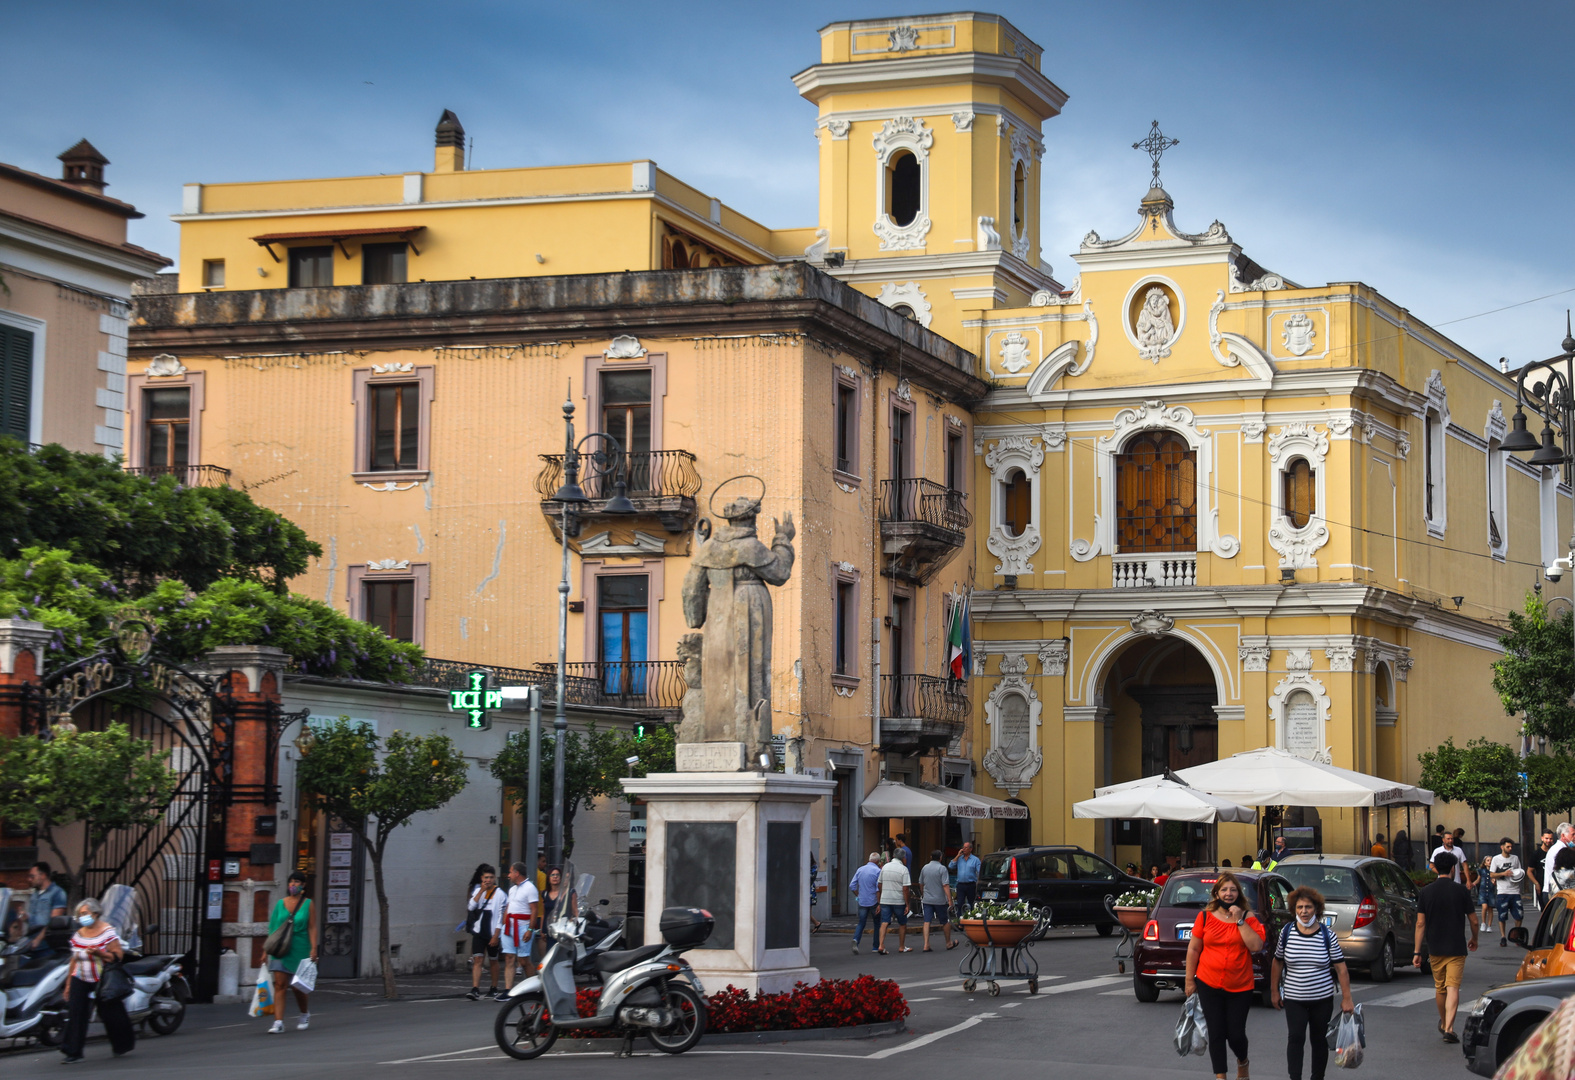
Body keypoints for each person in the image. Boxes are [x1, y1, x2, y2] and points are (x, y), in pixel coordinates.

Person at [1184, 872, 1265, 1080]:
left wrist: (1239, 920)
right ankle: (1221, 1076)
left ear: (1239, 893)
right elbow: (1193, 949)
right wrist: (1189, 980)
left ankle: (1243, 1061)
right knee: (1217, 1033)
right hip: (1208, 982)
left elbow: (1256, 946)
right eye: (1224, 890)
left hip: (1240, 986)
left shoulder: (1247, 917)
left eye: (1233, 890)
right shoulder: (1204, 917)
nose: (1229, 894)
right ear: (1216, 893)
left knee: (1236, 1035)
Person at [1271, 886, 1354, 1080]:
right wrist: (1274, 991)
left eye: (1308, 907)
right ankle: (1295, 1077)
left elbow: (1341, 968)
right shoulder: (1287, 932)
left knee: (1318, 1041)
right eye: (1299, 907)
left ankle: (1317, 1077)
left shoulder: (1327, 935)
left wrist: (1347, 998)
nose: (1304, 911)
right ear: (1294, 909)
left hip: (1321, 999)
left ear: (1316, 909)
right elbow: (1277, 962)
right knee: (1296, 1038)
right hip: (1294, 998)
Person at [59, 897, 134, 1063]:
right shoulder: (78, 934)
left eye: (85, 913)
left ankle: (122, 1044)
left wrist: (101, 954)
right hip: (81, 976)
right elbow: (74, 959)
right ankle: (73, 1052)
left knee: (110, 1012)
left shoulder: (107, 932)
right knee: (76, 1012)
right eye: (80, 914)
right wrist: (69, 984)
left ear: (95, 913)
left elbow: (117, 955)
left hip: (102, 978)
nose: (82, 917)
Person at [1415, 851, 1478, 1043]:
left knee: (1440, 987)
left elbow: (1420, 923)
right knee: (1453, 987)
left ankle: (1444, 1023)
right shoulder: (1461, 891)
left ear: (1436, 868)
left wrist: (1417, 951)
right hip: (1456, 946)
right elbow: (1474, 921)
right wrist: (1474, 938)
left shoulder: (1426, 892)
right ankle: (1449, 1027)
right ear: (1453, 869)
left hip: (1434, 946)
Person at [266, 870, 319, 1034]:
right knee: (280, 985)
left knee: (298, 987)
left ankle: (304, 1013)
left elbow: (312, 927)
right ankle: (278, 1022)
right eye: (291, 882)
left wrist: (313, 947)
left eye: (297, 882)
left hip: (300, 946)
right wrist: (265, 950)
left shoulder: (308, 904)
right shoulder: (280, 904)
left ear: (303, 885)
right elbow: (273, 928)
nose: (293, 885)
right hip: (281, 947)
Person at [498, 861, 541, 999]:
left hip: (523, 927)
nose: (508, 875)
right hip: (510, 926)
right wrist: (504, 923)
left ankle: (535, 988)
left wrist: (530, 929)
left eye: (510, 872)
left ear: (517, 873)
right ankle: (508, 990)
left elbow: (534, 910)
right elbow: (509, 906)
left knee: (523, 960)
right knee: (509, 957)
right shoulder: (512, 889)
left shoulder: (530, 888)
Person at [465, 865, 505, 1000]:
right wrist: (481, 891)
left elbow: (501, 916)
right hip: (479, 930)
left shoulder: (500, 894)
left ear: (495, 879)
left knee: (493, 960)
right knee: (478, 959)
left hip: (492, 931)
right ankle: (475, 988)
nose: (488, 880)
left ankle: (494, 987)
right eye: (486, 877)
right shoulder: (478, 891)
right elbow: (471, 906)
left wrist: (496, 935)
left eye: (491, 878)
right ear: (482, 878)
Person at [24, 861, 66, 955]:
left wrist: (38, 939)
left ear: (43, 875)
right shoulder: (35, 894)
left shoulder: (57, 893)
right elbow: (36, 917)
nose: (30, 879)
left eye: (32, 876)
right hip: (30, 943)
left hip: (46, 945)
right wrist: (26, 917)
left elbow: (53, 921)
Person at [1490, 837, 1525, 946]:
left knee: (1519, 915)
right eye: (1508, 847)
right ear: (1502, 847)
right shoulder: (1496, 859)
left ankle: (1516, 934)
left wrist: (1518, 876)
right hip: (1503, 891)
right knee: (1502, 915)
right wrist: (1503, 874)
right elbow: (1491, 874)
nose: (1510, 849)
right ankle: (1503, 936)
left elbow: (1519, 872)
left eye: (1511, 847)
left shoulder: (1515, 858)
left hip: (1515, 891)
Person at [918, 850, 955, 952]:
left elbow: (921, 883)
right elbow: (945, 885)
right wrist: (950, 900)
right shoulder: (942, 869)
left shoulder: (925, 868)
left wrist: (923, 894)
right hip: (939, 900)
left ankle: (926, 944)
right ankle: (948, 943)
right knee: (945, 921)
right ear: (940, 858)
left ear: (931, 857)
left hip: (927, 899)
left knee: (927, 921)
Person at [876, 852, 912, 955]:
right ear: (903, 858)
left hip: (885, 899)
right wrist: (907, 904)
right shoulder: (903, 869)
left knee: (884, 922)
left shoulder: (885, 867)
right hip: (898, 900)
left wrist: (882, 896)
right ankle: (901, 946)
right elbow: (905, 889)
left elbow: (879, 884)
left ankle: (881, 945)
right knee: (902, 923)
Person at [849, 852, 882, 955]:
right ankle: (875, 947)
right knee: (877, 924)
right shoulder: (878, 871)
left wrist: (858, 895)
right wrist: (879, 903)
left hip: (862, 900)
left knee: (861, 923)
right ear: (877, 861)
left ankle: (856, 939)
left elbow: (852, 886)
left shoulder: (860, 869)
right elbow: (878, 889)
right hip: (873, 901)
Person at [949, 841, 981, 915]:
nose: (964, 849)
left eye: (966, 847)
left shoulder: (975, 860)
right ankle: (960, 921)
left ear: (970, 849)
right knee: (960, 903)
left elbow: (979, 872)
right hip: (961, 884)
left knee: (971, 903)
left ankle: (972, 919)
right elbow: (950, 866)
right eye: (963, 847)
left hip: (971, 884)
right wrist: (957, 855)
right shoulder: (959, 859)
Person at [1543, 823, 1573, 896]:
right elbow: (1564, 873)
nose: (1574, 837)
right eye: (1573, 834)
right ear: (1563, 835)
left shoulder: (1558, 848)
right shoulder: (1560, 850)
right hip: (1557, 892)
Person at [1533, 829, 1555, 907]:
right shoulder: (1536, 854)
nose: (1548, 840)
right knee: (1544, 909)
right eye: (1546, 838)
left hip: (1554, 885)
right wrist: (1536, 883)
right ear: (1542, 838)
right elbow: (1529, 871)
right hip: (1542, 885)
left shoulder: (1554, 852)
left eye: (1550, 838)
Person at [1475, 856, 1496, 934]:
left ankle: (1489, 925)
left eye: (1491, 860)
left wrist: (1495, 882)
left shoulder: (1494, 871)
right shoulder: (1481, 871)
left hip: (1491, 891)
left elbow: (1496, 881)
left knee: (1490, 909)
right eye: (1488, 860)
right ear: (1484, 862)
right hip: (1483, 891)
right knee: (1485, 906)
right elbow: (1478, 879)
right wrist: (1473, 883)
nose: (1490, 862)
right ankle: (1483, 923)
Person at [809, 851, 822, 933]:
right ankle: (816, 923)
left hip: (810, 892)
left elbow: (811, 877)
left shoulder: (814, 867)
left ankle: (817, 923)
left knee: (806, 913)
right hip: (803, 890)